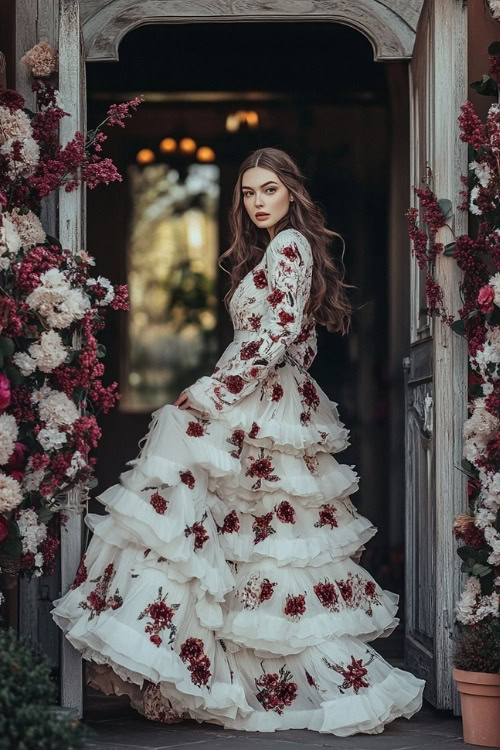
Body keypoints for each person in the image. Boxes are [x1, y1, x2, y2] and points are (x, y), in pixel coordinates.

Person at [51, 147, 426, 735]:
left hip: (263, 401)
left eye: (268, 190)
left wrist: (207, 392)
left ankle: (257, 675)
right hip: (261, 397)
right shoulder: (274, 250)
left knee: (263, 536)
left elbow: (276, 337)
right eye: (249, 193)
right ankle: (218, 671)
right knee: (246, 538)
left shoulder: (290, 245)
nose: (257, 202)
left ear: (291, 193)